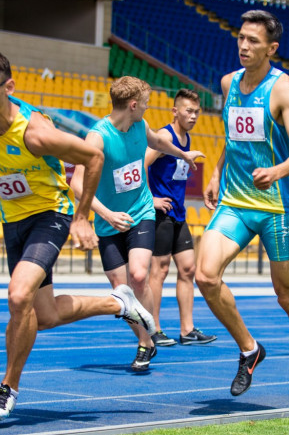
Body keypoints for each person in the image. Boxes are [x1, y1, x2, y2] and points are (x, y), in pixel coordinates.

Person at [0, 50, 155, 421]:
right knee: (46, 314)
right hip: (12, 220)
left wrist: (83, 217)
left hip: (49, 214)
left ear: (9, 87)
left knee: (18, 295)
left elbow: (93, 159)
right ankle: (119, 303)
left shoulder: (35, 132)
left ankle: (7, 390)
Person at [195, 10, 289, 407]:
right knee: (205, 276)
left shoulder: (284, 90)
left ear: (272, 48)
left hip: (275, 207)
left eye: (253, 40)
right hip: (235, 201)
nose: (244, 46)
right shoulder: (227, 83)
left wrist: (277, 170)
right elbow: (234, 139)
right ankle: (250, 349)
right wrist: (217, 171)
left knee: (288, 298)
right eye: (240, 38)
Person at [70, 76, 204, 372]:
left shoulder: (141, 126)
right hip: (109, 223)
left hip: (141, 210)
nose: (147, 108)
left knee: (139, 275)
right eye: (145, 104)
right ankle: (146, 341)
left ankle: (146, 340)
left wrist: (183, 154)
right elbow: (77, 184)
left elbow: (158, 142)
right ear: (133, 105)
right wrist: (106, 215)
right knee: (122, 291)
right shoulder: (97, 138)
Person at [145, 88, 217, 347]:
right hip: (160, 213)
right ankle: (153, 329)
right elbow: (141, 165)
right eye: (189, 111)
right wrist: (149, 199)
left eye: (197, 112)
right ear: (175, 111)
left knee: (187, 269)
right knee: (159, 270)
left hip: (178, 214)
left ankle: (187, 330)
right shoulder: (165, 135)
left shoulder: (186, 139)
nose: (194, 116)